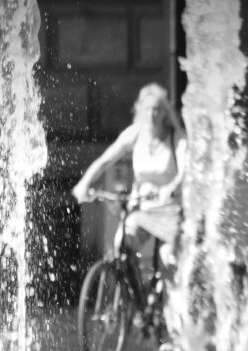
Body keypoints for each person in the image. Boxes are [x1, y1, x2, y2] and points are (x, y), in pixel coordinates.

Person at [72, 83, 187, 290]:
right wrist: (84, 183)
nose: (152, 115)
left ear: (164, 112)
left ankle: (164, 306)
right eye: (148, 109)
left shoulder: (175, 137)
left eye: (157, 109)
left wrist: (172, 186)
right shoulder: (135, 133)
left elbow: (186, 171)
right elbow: (105, 160)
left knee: (167, 261)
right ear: (140, 110)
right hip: (141, 207)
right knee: (122, 247)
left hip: (169, 209)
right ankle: (135, 299)